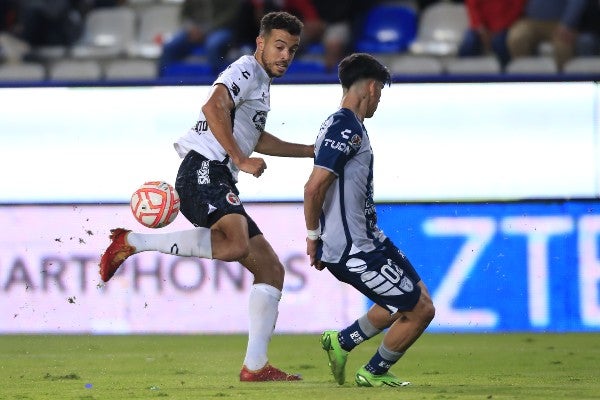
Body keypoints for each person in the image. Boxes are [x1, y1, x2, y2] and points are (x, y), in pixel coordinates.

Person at [99, 11, 313, 382]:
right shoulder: (246, 69)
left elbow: (256, 136)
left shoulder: (261, 84)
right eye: (279, 46)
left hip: (219, 175)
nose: (285, 56)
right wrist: (240, 159)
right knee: (233, 244)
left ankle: (256, 366)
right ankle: (131, 242)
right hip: (204, 169)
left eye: (292, 50)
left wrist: (311, 151)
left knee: (271, 270)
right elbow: (212, 107)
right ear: (260, 43)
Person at [303, 53, 435, 387]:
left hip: (371, 239)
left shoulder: (340, 124)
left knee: (416, 297)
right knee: (418, 310)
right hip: (353, 249)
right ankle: (373, 372)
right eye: (381, 93)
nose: (379, 101)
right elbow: (313, 188)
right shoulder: (346, 128)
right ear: (372, 88)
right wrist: (313, 236)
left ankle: (342, 342)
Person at [158, 0, 242, 75]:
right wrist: (190, 27)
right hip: (195, 29)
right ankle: (161, 83)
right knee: (169, 46)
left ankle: (218, 84)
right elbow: (184, 14)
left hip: (221, 28)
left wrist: (206, 30)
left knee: (213, 45)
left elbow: (232, 14)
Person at [507, 0, 588, 71]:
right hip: (531, 21)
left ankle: (562, 82)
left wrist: (568, 23)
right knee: (517, 38)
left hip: (559, 24)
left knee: (563, 47)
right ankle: (525, 78)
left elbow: (577, 1)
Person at [458, 0, 526, 68]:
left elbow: (517, 8)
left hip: (507, 26)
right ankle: (465, 74)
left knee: (499, 43)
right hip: (481, 27)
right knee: (469, 43)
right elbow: (472, 7)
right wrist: (481, 28)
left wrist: (497, 29)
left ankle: (505, 73)